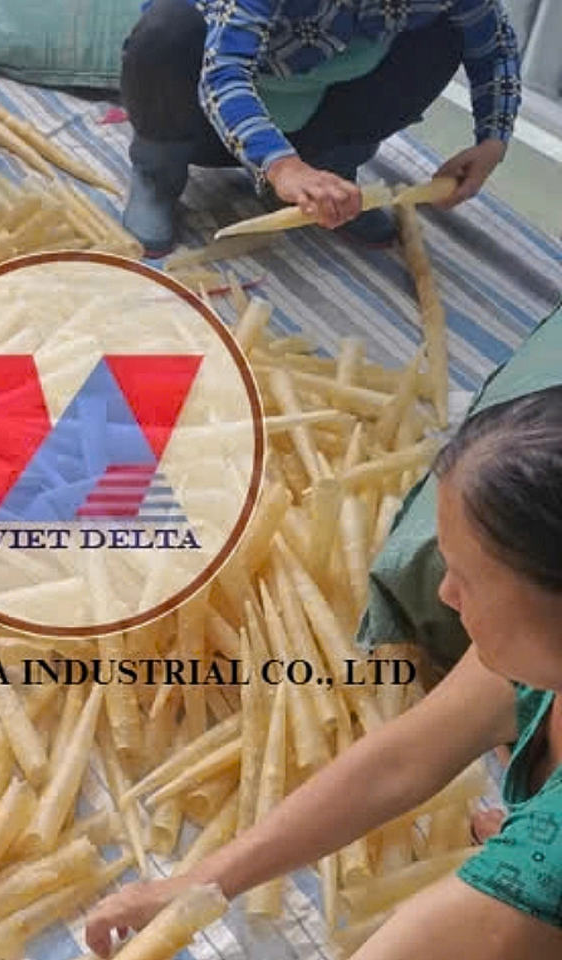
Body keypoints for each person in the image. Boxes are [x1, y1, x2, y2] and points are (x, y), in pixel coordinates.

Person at [86, 385, 562, 959]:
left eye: (469, 577)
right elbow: (401, 761)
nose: (444, 593)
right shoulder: (536, 655)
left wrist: (531, 863)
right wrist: (198, 884)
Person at [120, 0, 522, 255]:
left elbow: (495, 45)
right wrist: (282, 166)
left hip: (321, 106)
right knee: (167, 30)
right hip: (200, 110)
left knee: (445, 37)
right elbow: (223, 74)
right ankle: (157, 175)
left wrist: (493, 140)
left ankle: (332, 171)